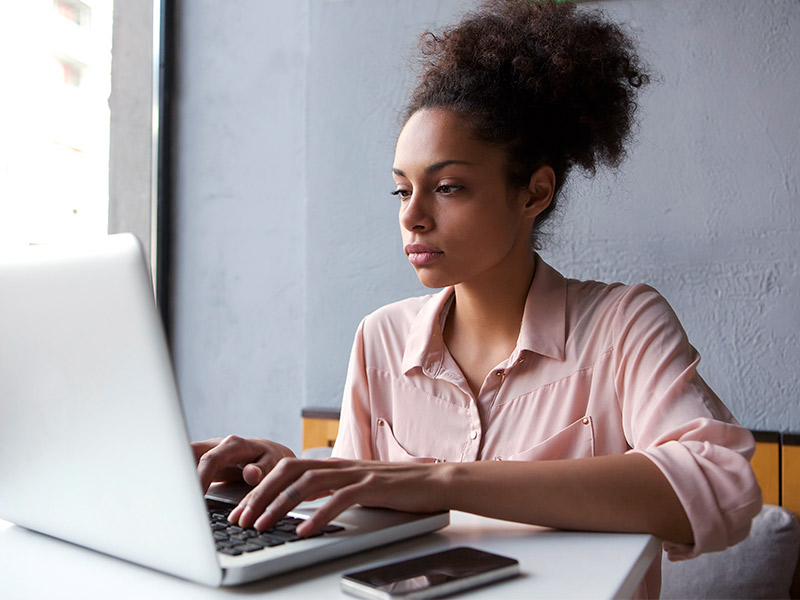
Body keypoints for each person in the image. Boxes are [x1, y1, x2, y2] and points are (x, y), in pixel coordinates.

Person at [192, 1, 762, 596]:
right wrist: (285, 473)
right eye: (401, 189)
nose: (412, 216)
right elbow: (358, 519)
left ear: (534, 192)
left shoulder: (622, 325)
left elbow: (722, 486)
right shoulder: (381, 339)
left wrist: (445, 481)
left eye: (448, 187)